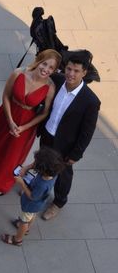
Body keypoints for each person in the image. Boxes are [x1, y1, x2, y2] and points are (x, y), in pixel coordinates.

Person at [0, 49, 61, 195]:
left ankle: (1, 184)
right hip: (6, 115)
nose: (46, 69)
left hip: (27, 124)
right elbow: (6, 96)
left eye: (51, 68)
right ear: (39, 61)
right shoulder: (18, 73)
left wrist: (23, 127)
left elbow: (45, 112)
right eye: (45, 64)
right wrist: (10, 120)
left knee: (13, 155)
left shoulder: (50, 87)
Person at [39, 52, 100, 221]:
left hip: (65, 145)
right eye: (69, 69)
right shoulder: (58, 81)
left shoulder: (90, 101)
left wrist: (76, 154)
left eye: (76, 71)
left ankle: (58, 202)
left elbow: (87, 132)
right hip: (47, 135)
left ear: (84, 73)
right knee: (42, 163)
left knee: (63, 175)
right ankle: (39, 190)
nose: (71, 74)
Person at [1, 147, 65, 246]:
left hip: (30, 204)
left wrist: (21, 183)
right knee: (32, 215)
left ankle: (17, 239)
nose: (34, 163)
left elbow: (32, 197)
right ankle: (27, 229)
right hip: (37, 205)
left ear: (41, 169)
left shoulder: (42, 184)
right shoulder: (53, 173)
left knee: (24, 221)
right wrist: (27, 167)